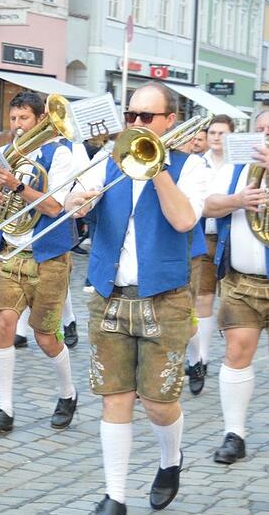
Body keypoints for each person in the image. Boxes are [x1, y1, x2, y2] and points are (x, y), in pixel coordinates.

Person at [63, 82, 207, 514]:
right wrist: (76, 201)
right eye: (131, 116)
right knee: (115, 398)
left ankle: (170, 458)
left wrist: (156, 165)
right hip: (109, 295)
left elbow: (184, 220)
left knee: (160, 404)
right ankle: (116, 496)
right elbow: (71, 201)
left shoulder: (190, 167)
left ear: (170, 121)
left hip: (165, 299)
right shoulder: (107, 161)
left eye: (146, 117)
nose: (136, 124)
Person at [0, 91, 78, 435]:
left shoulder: (59, 154)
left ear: (41, 120)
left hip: (48, 256)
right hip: (10, 252)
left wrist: (15, 185)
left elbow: (54, 207)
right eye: (14, 119)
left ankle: (67, 393)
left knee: (45, 336)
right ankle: (4, 408)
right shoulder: (5, 155)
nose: (18, 126)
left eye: (24, 119)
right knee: (3, 325)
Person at [202, 109, 269, 467]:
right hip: (242, 280)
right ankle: (235, 434)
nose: (265, 135)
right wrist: (238, 200)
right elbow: (207, 205)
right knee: (236, 352)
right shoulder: (235, 166)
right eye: (260, 129)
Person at [185, 114, 235, 395]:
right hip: (203, 235)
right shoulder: (198, 163)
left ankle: (231, 357)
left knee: (228, 301)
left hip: (230, 238)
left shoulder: (237, 165)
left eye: (221, 133)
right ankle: (200, 358)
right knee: (202, 298)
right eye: (213, 133)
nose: (216, 137)